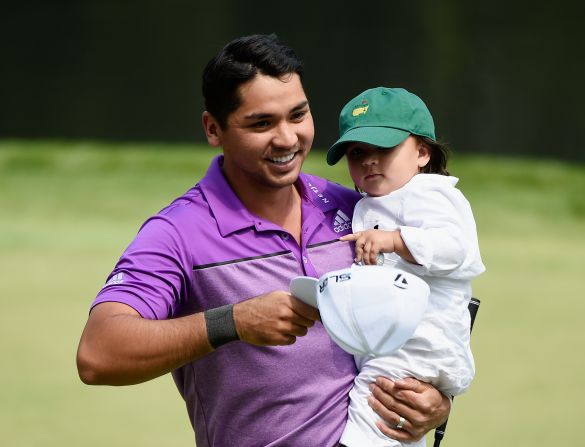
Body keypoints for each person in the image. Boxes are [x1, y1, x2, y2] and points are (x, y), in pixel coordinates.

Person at [76, 35, 451, 447]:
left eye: (298, 115)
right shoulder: (178, 232)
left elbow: (431, 315)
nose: (288, 139)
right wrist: (233, 321)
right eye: (262, 123)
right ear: (213, 128)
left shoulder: (357, 211)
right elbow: (99, 355)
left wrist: (436, 401)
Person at [325, 87, 485, 446]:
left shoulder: (432, 195)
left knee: (375, 402)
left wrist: (396, 240)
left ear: (422, 153)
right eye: (357, 152)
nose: (369, 160)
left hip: (423, 340)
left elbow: (457, 250)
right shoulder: (373, 202)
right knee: (392, 418)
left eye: (384, 149)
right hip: (399, 344)